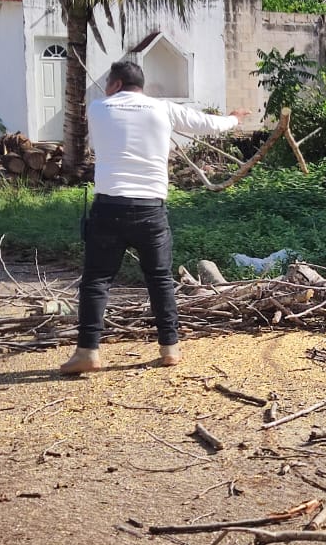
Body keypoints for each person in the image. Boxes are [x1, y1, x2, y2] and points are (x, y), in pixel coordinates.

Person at [61, 61, 249, 374]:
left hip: (108, 207)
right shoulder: (163, 109)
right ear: (141, 85)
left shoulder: (97, 108)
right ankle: (170, 348)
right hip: (151, 209)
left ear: (117, 84)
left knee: (96, 280)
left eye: (108, 81)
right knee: (160, 280)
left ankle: (88, 352)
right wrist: (233, 119)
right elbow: (206, 124)